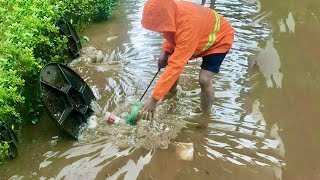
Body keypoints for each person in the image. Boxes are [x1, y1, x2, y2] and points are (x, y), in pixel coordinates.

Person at [139, 0, 234, 118]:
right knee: (170, 61)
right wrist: (165, 52)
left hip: (220, 38)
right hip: (201, 32)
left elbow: (176, 65)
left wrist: (154, 99)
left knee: (204, 79)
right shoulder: (170, 10)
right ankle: (171, 94)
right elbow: (171, 33)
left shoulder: (188, 26)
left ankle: (205, 116)